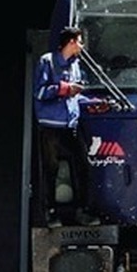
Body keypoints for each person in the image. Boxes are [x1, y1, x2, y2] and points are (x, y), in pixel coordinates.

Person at [33, 26, 102, 227]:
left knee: (83, 165)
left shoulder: (75, 65)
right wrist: (64, 89)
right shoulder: (47, 61)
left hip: (71, 124)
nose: (81, 46)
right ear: (71, 42)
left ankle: (83, 210)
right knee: (51, 169)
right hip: (50, 126)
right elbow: (39, 92)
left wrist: (93, 103)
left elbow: (76, 96)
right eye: (79, 41)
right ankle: (50, 213)